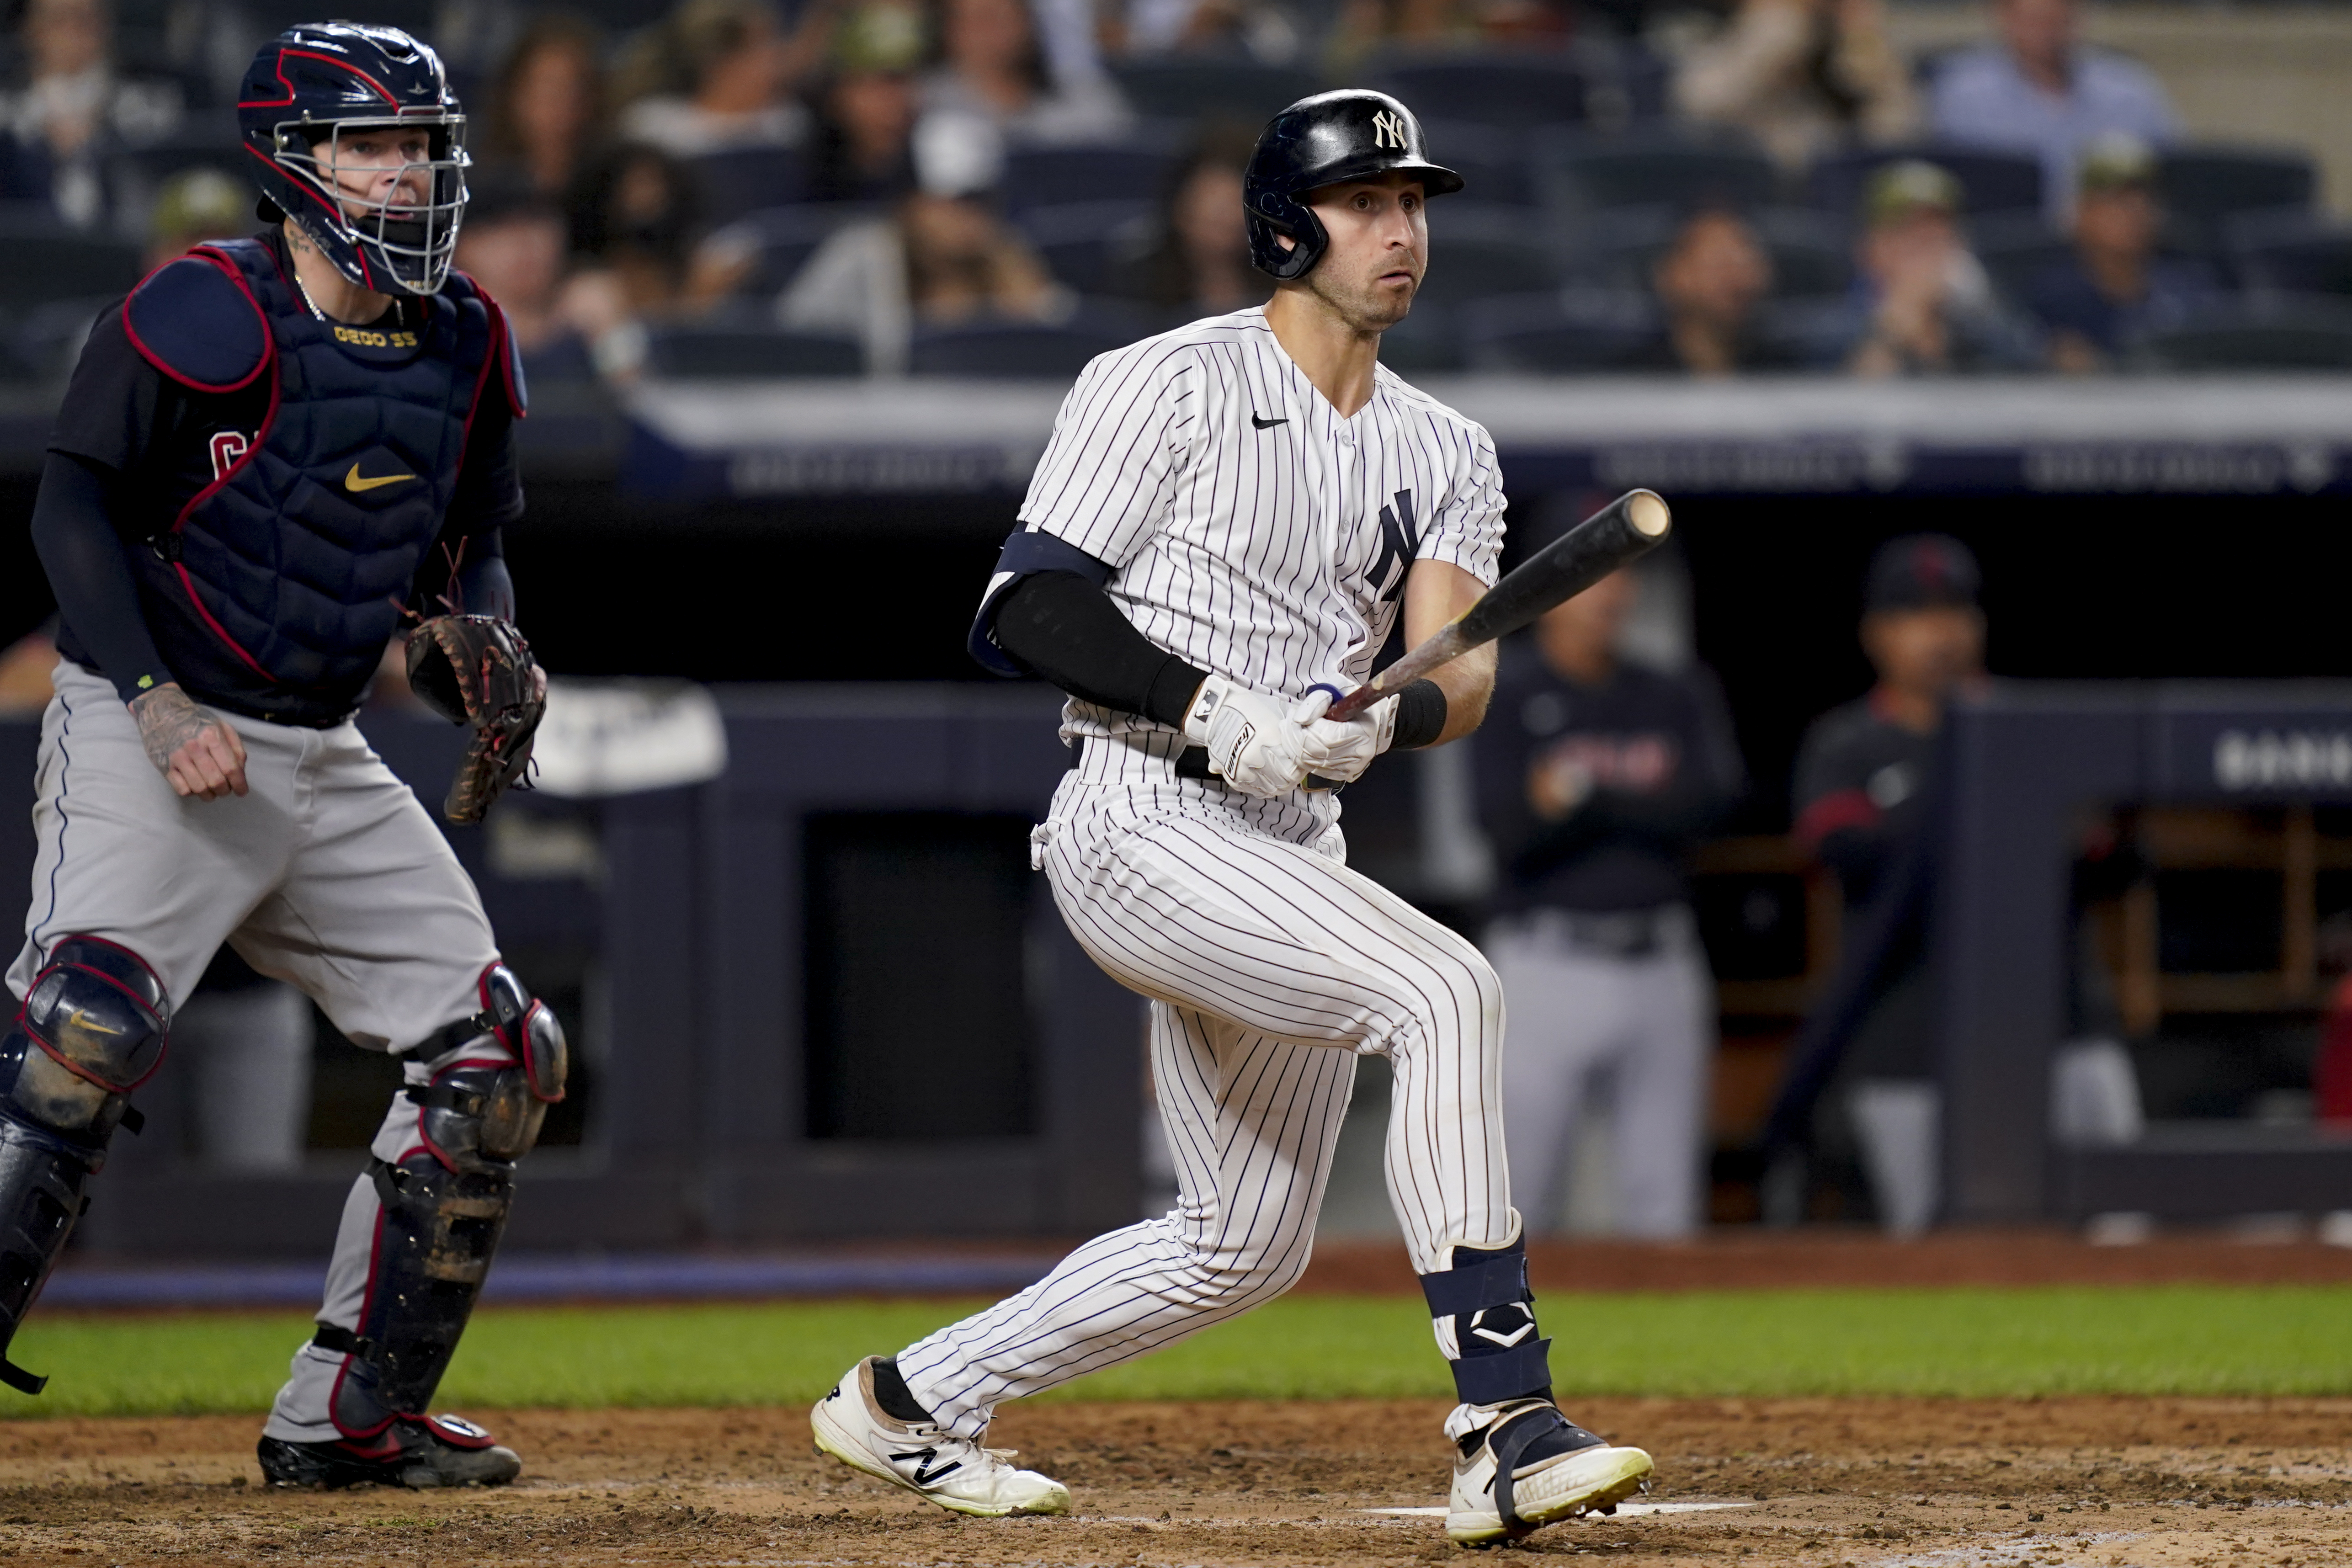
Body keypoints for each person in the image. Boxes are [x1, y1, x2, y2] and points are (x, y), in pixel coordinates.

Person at [809, 90, 1655, 1547]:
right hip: (1137, 810)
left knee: (1239, 1243)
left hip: (1287, 848)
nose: (1401, 233)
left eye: (1413, 206)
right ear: (1281, 225)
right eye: (1366, 203)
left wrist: (1380, 716)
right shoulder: (1164, 381)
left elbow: (1461, 675)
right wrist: (1215, 707)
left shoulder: (1445, 446)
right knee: (1444, 988)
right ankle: (1508, 1421)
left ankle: (908, 1398)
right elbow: (1025, 606)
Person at [4, 23, 565, 1487]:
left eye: (422, 147)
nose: (406, 172)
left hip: (320, 749)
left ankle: (348, 1421)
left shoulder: (466, 339)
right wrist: (149, 697)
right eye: (374, 145)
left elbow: (471, 550)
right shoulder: (201, 310)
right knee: (80, 1042)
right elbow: (70, 508)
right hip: (157, 731)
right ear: (293, 159)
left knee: (496, 1057)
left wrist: (483, 644)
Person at [1474, 557, 1743, 1239]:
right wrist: (1638, 807)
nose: (1609, 591)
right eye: (1589, 574)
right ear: (1546, 591)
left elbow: (1709, 810)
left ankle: (1664, 1349)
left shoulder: (1672, 690)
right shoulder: (1505, 690)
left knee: (1665, 1207)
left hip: (1662, 960)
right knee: (1520, 1198)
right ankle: (1514, 1347)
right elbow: (1506, 832)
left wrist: (1584, 799)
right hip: (1544, 961)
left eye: (1619, 574)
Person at [1786, 534, 1984, 1231]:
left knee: (2100, 1241)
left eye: (1953, 610)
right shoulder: (1847, 745)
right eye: (1914, 614)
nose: (1939, 632)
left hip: (2048, 1022)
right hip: (1901, 1029)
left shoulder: (2024, 730)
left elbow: (2108, 856)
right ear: (1877, 634)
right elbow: (1845, 853)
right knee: (1930, 1240)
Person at [779, 125, 1071, 372]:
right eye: (952, 202)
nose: (968, 217)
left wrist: (1030, 307)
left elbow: (1068, 350)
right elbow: (794, 345)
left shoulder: (1007, 255)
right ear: (911, 204)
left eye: (980, 201)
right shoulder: (861, 253)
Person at [1926, 0, 2177, 223]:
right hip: (2006, 251)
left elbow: (2176, 179)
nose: (2047, 33)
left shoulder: (2130, 90)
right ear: (2003, 16)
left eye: (2056, 19)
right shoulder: (1962, 95)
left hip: (2112, 252)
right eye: (2034, 20)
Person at [2024, 131, 2214, 372]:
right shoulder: (2049, 300)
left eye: (2145, 200)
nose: (2134, 212)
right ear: (2080, 213)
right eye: (2116, 201)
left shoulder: (2189, 291)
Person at [1835, 159, 2038, 377]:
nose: (1924, 245)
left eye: (1937, 232)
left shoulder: (1987, 320)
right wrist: (1892, 332)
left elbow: (2033, 371)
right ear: (1868, 247)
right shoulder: (1833, 328)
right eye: (1906, 231)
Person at [1672, 0, 1914, 173]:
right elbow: (1699, 104)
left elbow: (1898, 139)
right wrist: (1777, 36)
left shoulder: (1849, 43)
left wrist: (1865, 52)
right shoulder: (1734, 40)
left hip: (1836, 197)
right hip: (1755, 187)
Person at [0, 0, 180, 228]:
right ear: (30, 30)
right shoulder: (7, 110)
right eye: (57, 21)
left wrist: (99, 129)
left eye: (85, 20)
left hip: (125, 238)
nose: (72, 32)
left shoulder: (149, 104)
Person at [918, 0, 1129, 155]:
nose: (989, 33)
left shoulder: (1084, 96)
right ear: (948, 31)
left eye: (999, 19)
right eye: (976, 21)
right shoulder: (921, 103)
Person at [1105, 122, 1259, 323]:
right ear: (1179, 206)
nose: (1226, 218)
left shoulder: (1289, 281)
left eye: (1236, 203)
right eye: (1213, 202)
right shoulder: (1134, 282)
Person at [1628, 206, 1791, 375]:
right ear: (1671, 274)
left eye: (1746, 263)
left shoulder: (1791, 375)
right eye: (1720, 265)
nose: (1737, 281)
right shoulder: (1624, 378)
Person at [476, 13, 607, 203]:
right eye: (548, 92)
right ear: (515, 97)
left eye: (576, 93)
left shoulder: (611, 193)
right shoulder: (474, 186)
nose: (563, 109)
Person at [805, 2, 926, 204]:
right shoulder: (801, 171)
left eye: (905, 84)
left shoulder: (927, 159)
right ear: (839, 94)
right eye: (880, 86)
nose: (897, 101)